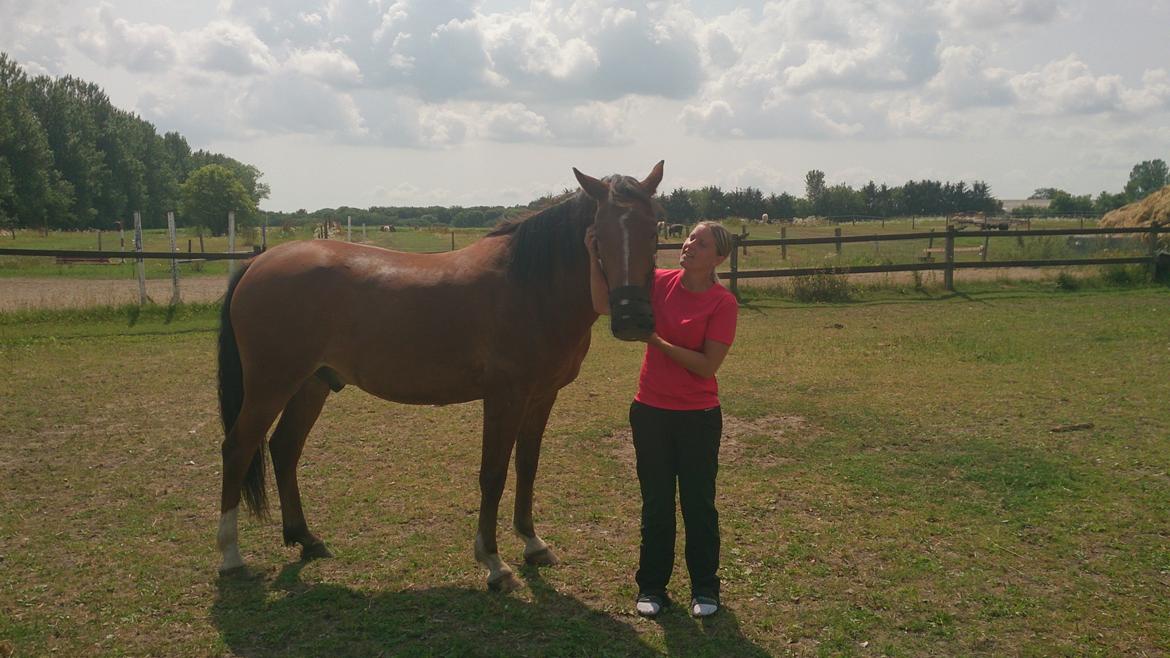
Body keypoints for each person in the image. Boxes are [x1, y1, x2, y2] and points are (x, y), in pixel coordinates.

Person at [585, 220, 738, 618]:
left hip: (698, 417)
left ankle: (705, 589)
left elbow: (707, 366)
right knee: (656, 505)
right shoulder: (657, 282)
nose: (689, 245)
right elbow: (604, 305)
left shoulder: (722, 303)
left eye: (701, 243)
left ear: (718, 257)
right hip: (650, 412)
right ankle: (652, 587)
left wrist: (655, 340)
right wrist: (592, 257)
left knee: (698, 505)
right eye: (689, 238)